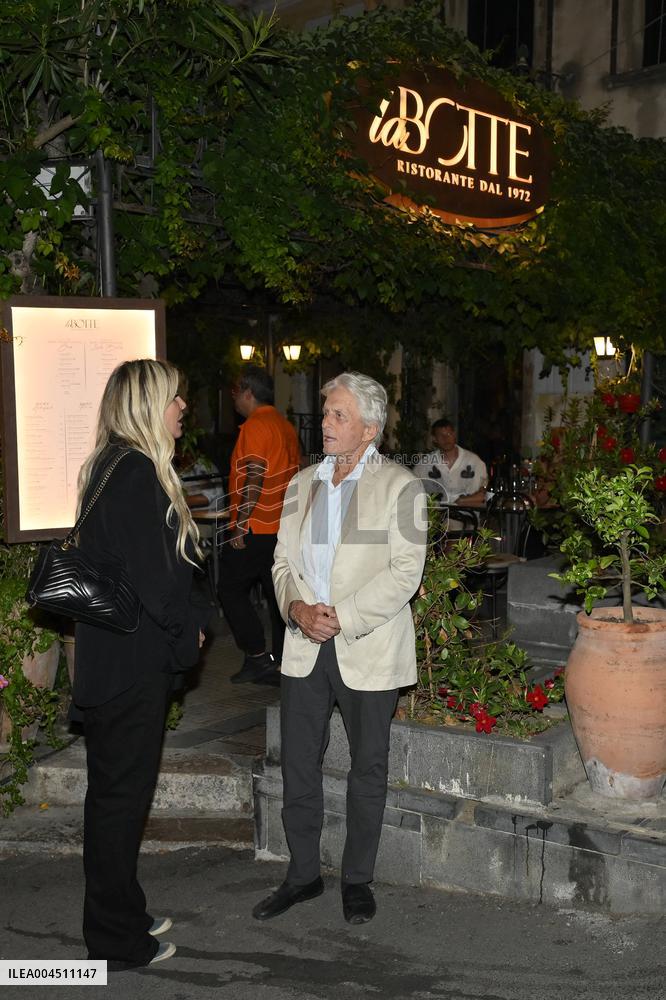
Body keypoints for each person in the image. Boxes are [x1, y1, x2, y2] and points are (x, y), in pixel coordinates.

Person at [252, 372, 426, 925]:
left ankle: (357, 880)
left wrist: (342, 617)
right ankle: (303, 874)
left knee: (367, 768)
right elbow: (281, 563)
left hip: (367, 645)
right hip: (304, 643)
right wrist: (297, 610)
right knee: (298, 763)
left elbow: (405, 573)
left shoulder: (402, 487)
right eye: (326, 413)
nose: (325, 423)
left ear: (369, 429)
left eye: (338, 415)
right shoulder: (301, 484)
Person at [73, 359, 207, 970]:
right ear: (150, 404)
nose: (183, 408)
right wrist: (188, 636)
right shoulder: (133, 472)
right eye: (175, 398)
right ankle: (114, 941)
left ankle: (122, 911)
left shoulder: (113, 463)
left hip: (115, 660)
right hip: (129, 667)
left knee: (117, 799)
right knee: (119, 804)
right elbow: (157, 583)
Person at [218, 365, 301, 685]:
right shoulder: (285, 425)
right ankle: (282, 662)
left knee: (229, 589)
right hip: (281, 525)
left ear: (248, 392)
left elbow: (255, 475)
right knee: (277, 593)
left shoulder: (256, 425)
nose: (233, 398)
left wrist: (241, 523)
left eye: (235, 392)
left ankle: (257, 656)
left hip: (256, 525)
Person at [412, 418, 488, 502]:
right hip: (436, 510)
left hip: (467, 509)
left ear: (454, 435)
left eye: (449, 434)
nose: (446, 438)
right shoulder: (425, 464)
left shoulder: (474, 462)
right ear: (434, 439)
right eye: (441, 435)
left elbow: (484, 492)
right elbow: (412, 489)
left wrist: (465, 501)